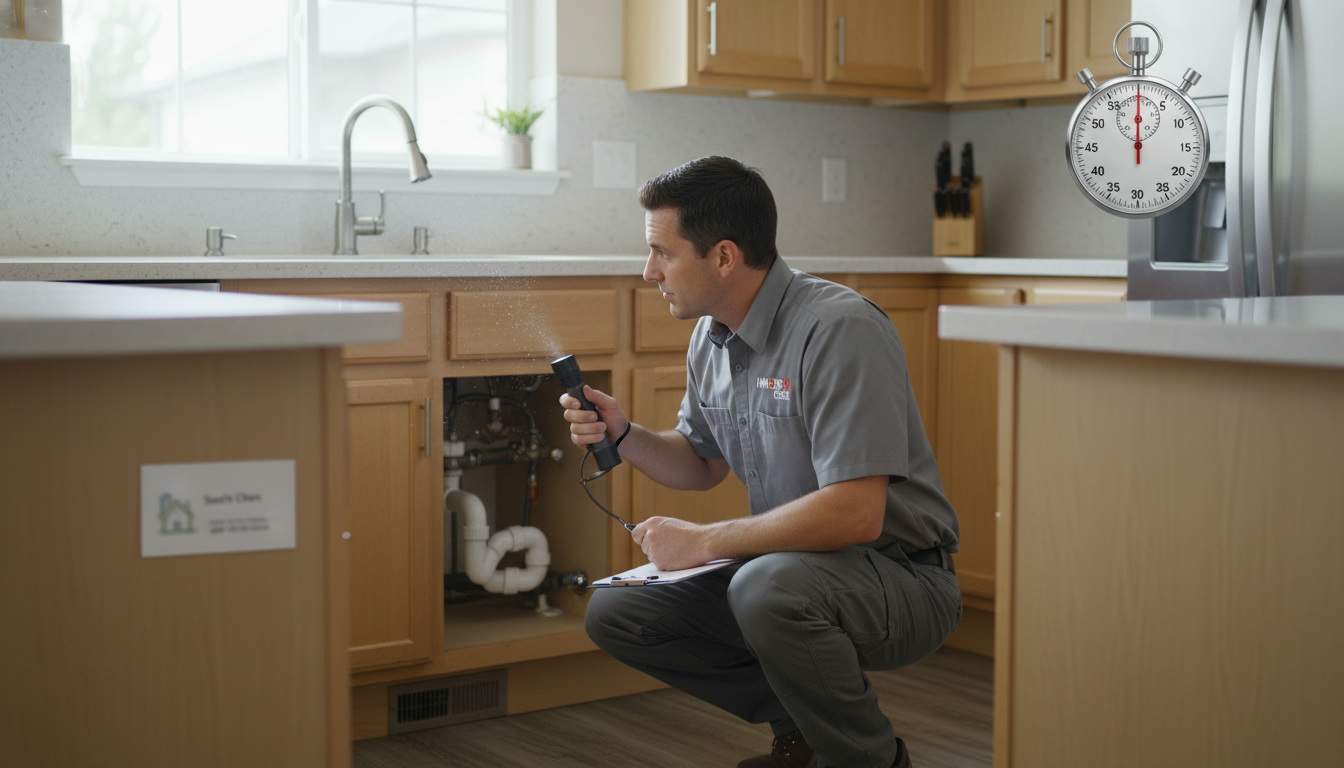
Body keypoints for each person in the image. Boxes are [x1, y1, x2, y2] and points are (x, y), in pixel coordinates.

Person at [560, 156, 962, 768]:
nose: (649, 272)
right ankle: (802, 734)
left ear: (723, 256)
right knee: (620, 612)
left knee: (766, 586)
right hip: (788, 574)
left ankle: (869, 759)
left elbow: (856, 513)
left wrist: (704, 543)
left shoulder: (837, 328)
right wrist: (627, 434)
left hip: (902, 577)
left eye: (663, 253)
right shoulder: (712, 336)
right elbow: (700, 463)